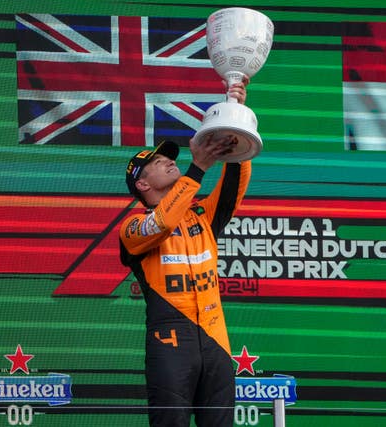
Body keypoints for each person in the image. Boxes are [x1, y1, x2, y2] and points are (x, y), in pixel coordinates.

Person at [119, 82, 251, 426]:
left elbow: (235, 183)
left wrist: (234, 122)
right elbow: (162, 223)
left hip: (216, 341)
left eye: (169, 160)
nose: (167, 163)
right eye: (158, 163)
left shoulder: (202, 215)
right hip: (170, 343)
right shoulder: (132, 229)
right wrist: (197, 169)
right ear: (142, 185)